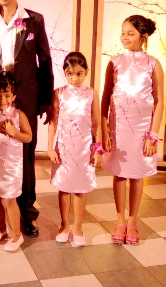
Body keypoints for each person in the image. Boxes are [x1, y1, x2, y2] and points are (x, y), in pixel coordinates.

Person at [0, 0, 54, 236]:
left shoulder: (34, 20)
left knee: (25, 154)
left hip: (26, 96)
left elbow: (45, 61)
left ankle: (28, 213)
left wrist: (46, 99)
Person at [100, 15, 164, 245]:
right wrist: (104, 132)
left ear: (143, 37)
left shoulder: (153, 64)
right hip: (118, 127)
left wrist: (153, 136)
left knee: (137, 175)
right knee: (119, 173)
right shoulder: (114, 62)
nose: (125, 37)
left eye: (130, 33)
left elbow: (159, 102)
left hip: (142, 130)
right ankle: (119, 220)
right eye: (123, 32)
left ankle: (133, 221)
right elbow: (105, 98)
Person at [47, 52, 102, 246]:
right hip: (63, 147)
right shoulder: (59, 93)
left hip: (84, 147)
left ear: (86, 72)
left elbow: (96, 123)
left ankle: (78, 226)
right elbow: (53, 122)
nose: (75, 78)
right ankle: (64, 225)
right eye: (70, 74)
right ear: (64, 73)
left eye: (79, 73)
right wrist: (50, 147)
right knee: (64, 187)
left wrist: (98, 149)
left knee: (80, 188)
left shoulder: (91, 94)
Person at [0, 72, 33, 252]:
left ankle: (17, 235)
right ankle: (2, 228)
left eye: (7, 95)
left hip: (11, 167)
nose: (2, 99)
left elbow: (28, 137)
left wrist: (14, 132)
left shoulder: (18, 115)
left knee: (9, 200)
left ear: (14, 96)